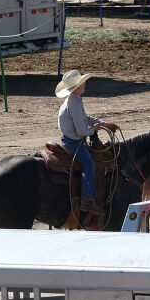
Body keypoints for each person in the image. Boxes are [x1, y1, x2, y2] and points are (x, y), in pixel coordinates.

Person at [55, 69, 103, 216]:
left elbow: (84, 117)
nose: (85, 84)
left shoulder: (74, 100)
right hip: (73, 142)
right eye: (82, 82)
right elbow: (82, 132)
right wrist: (93, 129)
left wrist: (100, 122)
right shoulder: (74, 103)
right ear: (77, 87)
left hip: (70, 139)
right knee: (89, 164)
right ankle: (87, 200)